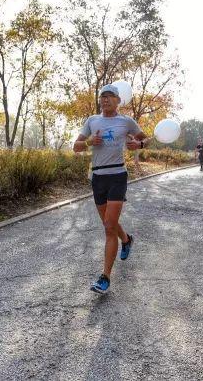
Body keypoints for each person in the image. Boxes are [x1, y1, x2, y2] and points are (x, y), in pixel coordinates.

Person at [73, 84, 150, 294]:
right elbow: (75, 147)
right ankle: (126, 240)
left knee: (108, 226)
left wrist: (139, 145)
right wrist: (89, 141)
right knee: (110, 223)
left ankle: (105, 277)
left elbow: (145, 138)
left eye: (109, 96)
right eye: (102, 96)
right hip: (98, 177)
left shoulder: (126, 121)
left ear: (118, 100)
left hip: (117, 175)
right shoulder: (92, 121)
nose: (105, 99)